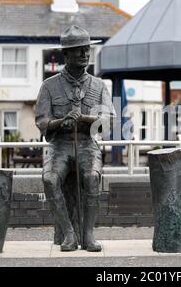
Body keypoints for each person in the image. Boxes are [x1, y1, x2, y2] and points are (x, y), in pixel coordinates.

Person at [35, 25, 115, 252]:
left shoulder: (99, 86)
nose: (84, 54)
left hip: (88, 145)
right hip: (60, 145)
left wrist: (86, 119)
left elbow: (109, 118)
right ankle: (69, 233)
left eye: (87, 49)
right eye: (78, 50)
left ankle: (88, 234)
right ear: (66, 55)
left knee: (91, 177)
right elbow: (42, 121)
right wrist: (61, 123)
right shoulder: (49, 87)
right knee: (50, 180)